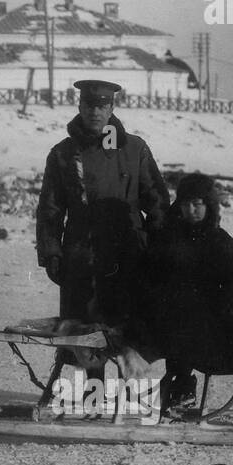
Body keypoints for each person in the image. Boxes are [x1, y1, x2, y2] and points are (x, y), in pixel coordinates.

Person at [36, 79, 170, 381]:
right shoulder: (63, 153)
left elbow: (158, 200)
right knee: (84, 332)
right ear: (80, 106)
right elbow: (50, 209)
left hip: (128, 256)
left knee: (126, 329)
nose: (95, 112)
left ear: (112, 108)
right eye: (89, 105)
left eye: (102, 105)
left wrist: (159, 247)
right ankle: (92, 392)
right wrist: (51, 252)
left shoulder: (135, 149)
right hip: (82, 254)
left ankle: (127, 397)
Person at [141, 173, 233, 408]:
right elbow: (155, 275)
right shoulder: (169, 238)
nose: (191, 210)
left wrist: (215, 308)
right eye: (186, 204)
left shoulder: (221, 242)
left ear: (208, 205)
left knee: (187, 322)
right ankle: (177, 384)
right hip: (172, 315)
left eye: (197, 204)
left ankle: (182, 386)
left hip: (210, 321)